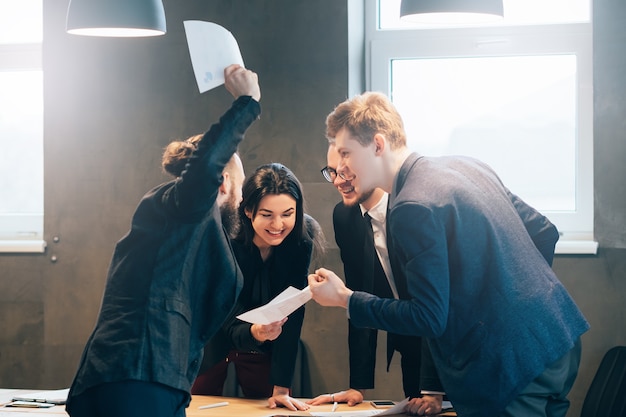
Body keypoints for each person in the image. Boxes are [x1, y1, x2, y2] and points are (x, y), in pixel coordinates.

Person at [308, 91, 590, 417]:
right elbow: (544, 232)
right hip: (558, 339)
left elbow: (428, 317)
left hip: (510, 365)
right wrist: (515, 298)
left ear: (378, 145)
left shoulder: (411, 204)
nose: (339, 167)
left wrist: (345, 298)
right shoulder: (466, 165)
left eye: (346, 153)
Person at [65, 64, 261, 417]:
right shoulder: (180, 204)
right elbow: (204, 168)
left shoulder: (187, 228)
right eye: (241, 184)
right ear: (224, 183)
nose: (243, 199)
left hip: (158, 381)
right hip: (136, 377)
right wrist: (247, 101)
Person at [306, 145, 444, 416]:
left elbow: (434, 304)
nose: (337, 181)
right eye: (332, 172)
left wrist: (433, 388)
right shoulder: (344, 216)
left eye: (345, 171)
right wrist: (358, 386)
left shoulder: (412, 207)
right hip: (411, 347)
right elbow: (357, 296)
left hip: (452, 350)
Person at [191, 162, 325, 412]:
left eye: (287, 213)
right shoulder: (223, 236)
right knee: (194, 406)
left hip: (267, 339)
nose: (277, 225)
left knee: (273, 406)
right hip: (213, 330)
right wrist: (253, 332)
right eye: (267, 215)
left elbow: (292, 311)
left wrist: (282, 387)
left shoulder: (300, 238)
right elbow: (222, 307)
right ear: (249, 210)